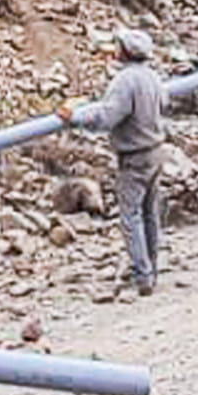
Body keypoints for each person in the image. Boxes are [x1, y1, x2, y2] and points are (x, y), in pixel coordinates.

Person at [57, 29, 167, 296]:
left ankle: (143, 277)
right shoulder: (153, 76)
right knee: (150, 214)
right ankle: (151, 267)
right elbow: (164, 101)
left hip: (134, 156)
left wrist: (75, 117)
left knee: (131, 217)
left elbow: (107, 117)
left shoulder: (124, 81)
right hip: (156, 151)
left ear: (124, 51)